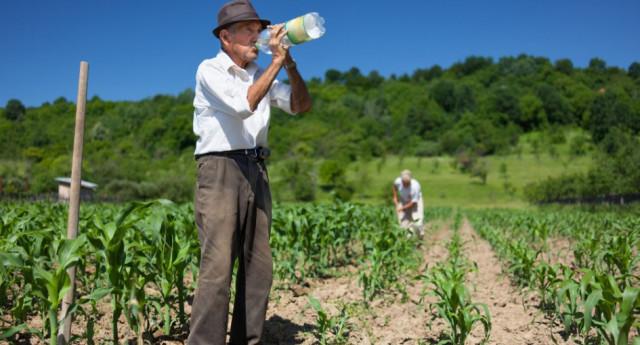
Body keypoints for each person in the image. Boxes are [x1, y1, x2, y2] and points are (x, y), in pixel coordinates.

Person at [187, 0, 312, 344]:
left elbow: (301, 105)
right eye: (248, 31)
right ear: (225, 37)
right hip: (220, 169)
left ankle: (248, 340)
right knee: (217, 267)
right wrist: (274, 62)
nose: (256, 37)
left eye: (259, 30)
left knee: (258, 266)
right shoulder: (210, 70)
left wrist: (289, 65)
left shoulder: (263, 74)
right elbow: (244, 104)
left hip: (257, 167)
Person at [392, 169, 424, 238]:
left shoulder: (415, 186)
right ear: (402, 181)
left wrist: (402, 208)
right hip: (403, 200)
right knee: (403, 222)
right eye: (404, 183)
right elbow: (394, 186)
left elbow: (413, 202)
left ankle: (420, 237)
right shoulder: (398, 181)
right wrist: (395, 197)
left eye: (407, 183)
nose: (406, 185)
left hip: (415, 201)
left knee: (417, 221)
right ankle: (409, 238)